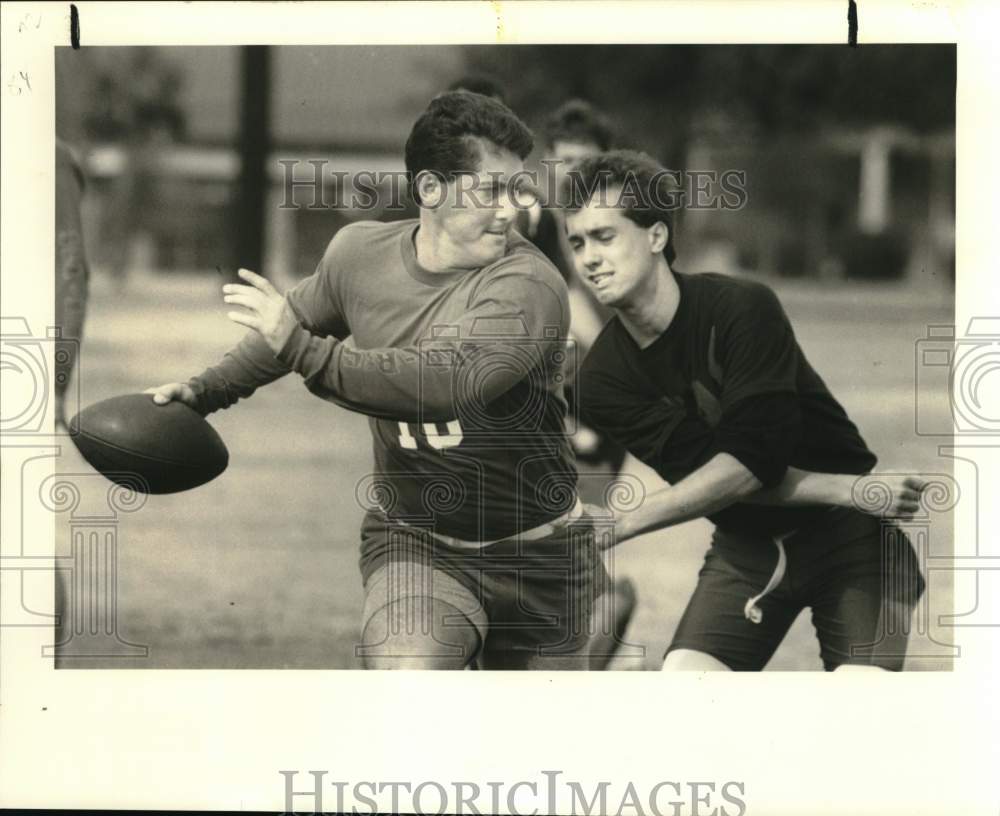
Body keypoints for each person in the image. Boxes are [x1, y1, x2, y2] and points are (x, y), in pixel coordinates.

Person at [145, 95, 879, 671]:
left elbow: (444, 382)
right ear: (429, 188)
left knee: (531, 758)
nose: (515, 208)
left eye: (519, 189)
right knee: (410, 694)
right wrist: (201, 393)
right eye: (493, 189)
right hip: (419, 541)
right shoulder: (355, 255)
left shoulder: (529, 284)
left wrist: (307, 353)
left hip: (543, 558)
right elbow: (285, 329)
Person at [565, 150, 928, 672]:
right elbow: (725, 481)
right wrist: (853, 486)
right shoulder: (601, 381)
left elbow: (751, 462)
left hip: (855, 537)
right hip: (748, 547)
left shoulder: (742, 309)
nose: (588, 259)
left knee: (861, 708)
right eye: (577, 243)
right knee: (685, 693)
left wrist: (622, 521)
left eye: (604, 236)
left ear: (656, 236)